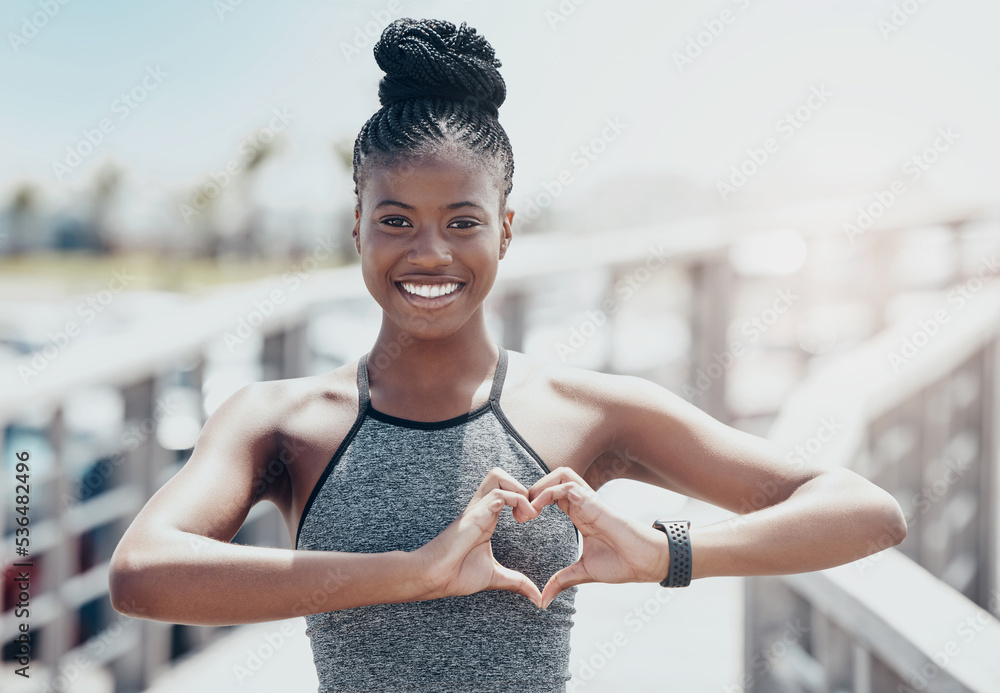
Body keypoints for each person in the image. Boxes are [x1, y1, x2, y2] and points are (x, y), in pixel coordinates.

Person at [108, 17, 907, 692]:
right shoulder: (278, 420)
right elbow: (142, 572)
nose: (429, 253)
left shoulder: (587, 410)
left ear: (506, 230)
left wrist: (666, 554)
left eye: (462, 222)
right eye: (395, 221)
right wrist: (412, 571)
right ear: (356, 225)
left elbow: (866, 514)